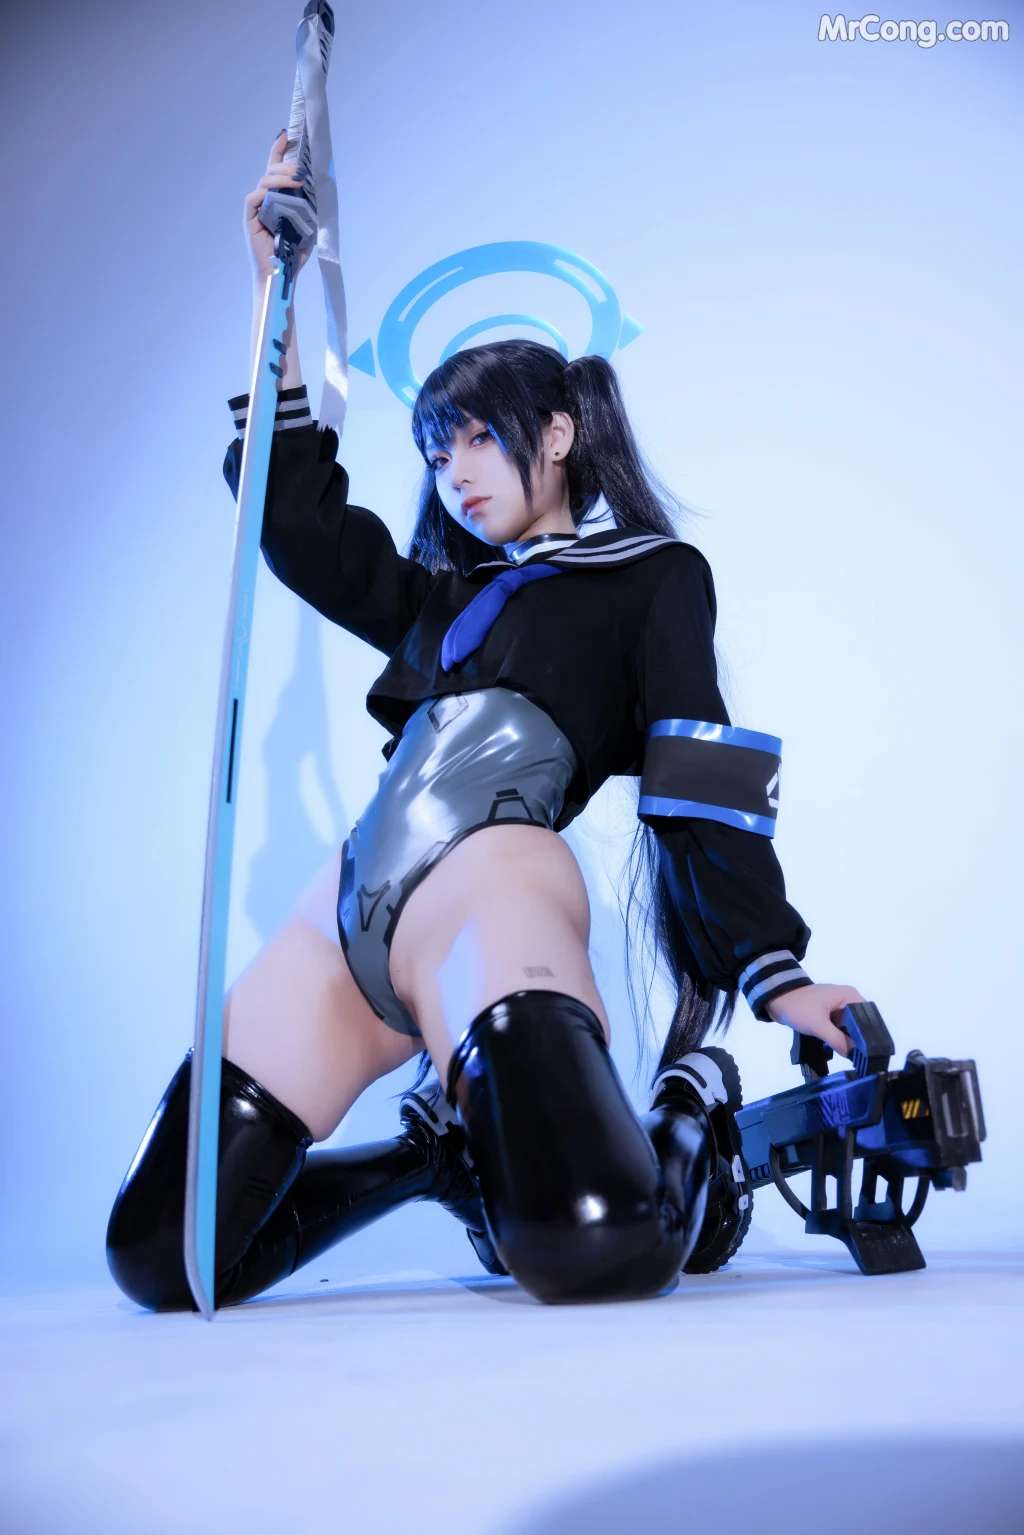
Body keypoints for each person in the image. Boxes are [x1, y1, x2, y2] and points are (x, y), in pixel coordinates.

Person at [106, 132, 865, 1311]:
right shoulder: (440, 600)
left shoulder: (651, 576)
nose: (453, 470)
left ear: (557, 432)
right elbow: (291, 521)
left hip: (490, 902)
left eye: (476, 437)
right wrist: (274, 289)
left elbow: (695, 777)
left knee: (599, 1243)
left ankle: (689, 1104)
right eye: (435, 448)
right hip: (346, 917)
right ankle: (434, 1154)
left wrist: (775, 975)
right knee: (168, 1256)